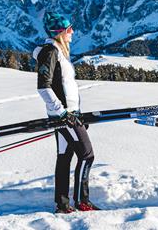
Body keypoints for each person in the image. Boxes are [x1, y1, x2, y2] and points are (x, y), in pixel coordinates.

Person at [33, 12, 100, 213]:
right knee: (87, 155)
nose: (73, 31)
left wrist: (76, 112)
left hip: (69, 114)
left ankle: (62, 204)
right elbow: (43, 87)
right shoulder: (50, 52)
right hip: (63, 116)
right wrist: (62, 113)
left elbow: (64, 86)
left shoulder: (59, 51)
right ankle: (82, 201)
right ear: (60, 32)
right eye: (69, 28)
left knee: (64, 158)